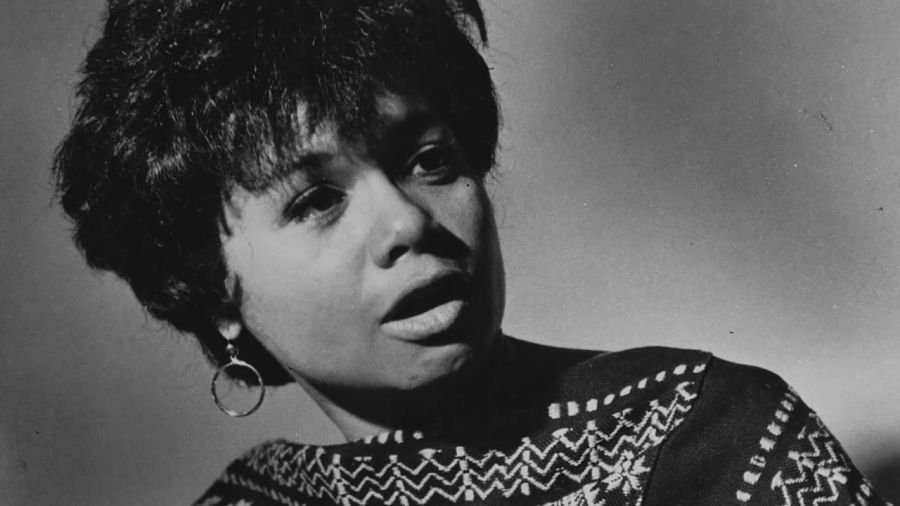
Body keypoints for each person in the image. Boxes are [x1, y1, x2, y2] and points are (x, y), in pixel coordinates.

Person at [52, 0, 889, 504]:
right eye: (316, 201)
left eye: (428, 160)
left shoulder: (710, 438)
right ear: (213, 292)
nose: (406, 223)